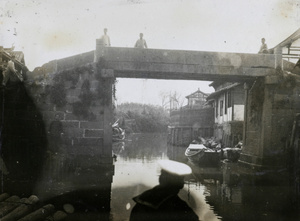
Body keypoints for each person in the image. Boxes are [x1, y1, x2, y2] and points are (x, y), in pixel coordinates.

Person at [130, 160, 199, 221]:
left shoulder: (142, 199)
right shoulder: (178, 206)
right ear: (178, 184)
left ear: (161, 179)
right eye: (181, 180)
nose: (183, 183)